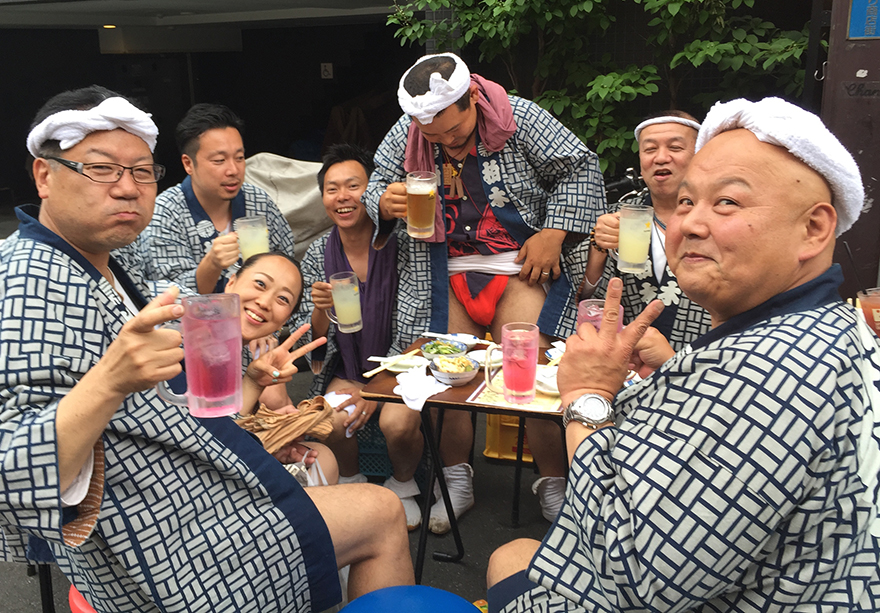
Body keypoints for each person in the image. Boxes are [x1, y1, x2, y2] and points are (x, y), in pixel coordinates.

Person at [0, 85, 413, 613]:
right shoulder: (30, 280)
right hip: (166, 545)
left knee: (324, 462)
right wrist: (110, 380)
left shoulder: (103, 266)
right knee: (380, 511)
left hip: (191, 483)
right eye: (101, 169)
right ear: (44, 175)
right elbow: (14, 473)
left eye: (141, 172)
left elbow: (273, 278)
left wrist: (256, 383)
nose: (127, 189)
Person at [486, 97, 880, 611]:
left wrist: (587, 396)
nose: (690, 224)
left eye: (728, 203)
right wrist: (669, 372)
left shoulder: (775, 373)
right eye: (688, 202)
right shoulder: (825, 330)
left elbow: (633, 572)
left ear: (814, 228)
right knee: (514, 554)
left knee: (509, 557)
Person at [364, 52, 605, 531]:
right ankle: (457, 480)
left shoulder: (519, 117)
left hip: (516, 264)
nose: (447, 144)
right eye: (434, 138)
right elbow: (376, 186)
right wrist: (384, 203)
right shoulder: (407, 131)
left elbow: (580, 166)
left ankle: (555, 484)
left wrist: (554, 232)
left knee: (531, 370)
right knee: (448, 374)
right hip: (442, 269)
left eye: (454, 131)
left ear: (472, 96)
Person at [296, 143, 424, 529]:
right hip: (349, 367)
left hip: (403, 366)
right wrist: (320, 308)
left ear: (372, 193)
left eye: (354, 186)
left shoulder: (406, 243)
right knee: (328, 419)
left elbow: (419, 324)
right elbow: (313, 344)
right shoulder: (318, 253)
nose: (343, 197)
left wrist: (376, 388)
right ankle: (351, 481)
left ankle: (403, 484)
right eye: (332, 189)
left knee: (396, 424)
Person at [583, 110, 711, 350]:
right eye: (650, 149)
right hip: (624, 360)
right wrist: (598, 247)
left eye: (675, 148)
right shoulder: (619, 216)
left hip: (701, 362)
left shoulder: (722, 221)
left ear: (700, 155)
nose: (660, 158)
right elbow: (583, 299)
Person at [143, 103, 296, 294]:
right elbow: (167, 296)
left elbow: (289, 267)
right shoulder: (164, 213)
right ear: (188, 164)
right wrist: (212, 264)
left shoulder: (259, 201)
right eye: (219, 160)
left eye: (239, 158)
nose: (233, 170)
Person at [227, 250, 339, 486]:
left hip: (232, 454)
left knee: (322, 459)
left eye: (283, 299)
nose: (264, 302)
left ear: (286, 319)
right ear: (231, 282)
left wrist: (273, 437)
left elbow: (229, 430)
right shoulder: (192, 334)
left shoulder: (253, 354)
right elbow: (208, 438)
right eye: (260, 284)